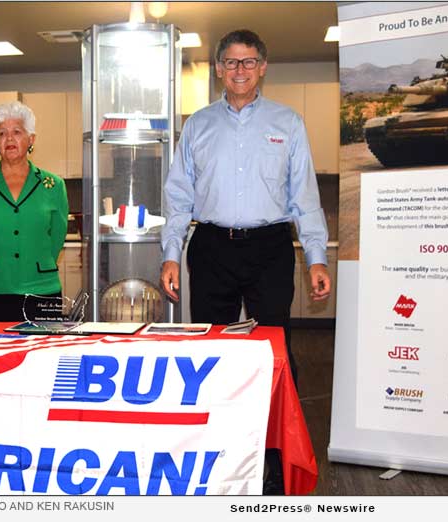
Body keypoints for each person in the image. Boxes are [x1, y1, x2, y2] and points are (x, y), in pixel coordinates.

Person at [160, 29, 331, 494]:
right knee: (212, 354)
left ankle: (273, 460)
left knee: (273, 355)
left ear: (263, 67)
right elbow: (178, 196)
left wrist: (316, 257)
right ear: (218, 68)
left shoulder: (288, 123)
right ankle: (216, 453)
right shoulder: (197, 125)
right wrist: (172, 252)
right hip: (211, 246)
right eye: (231, 62)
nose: (240, 70)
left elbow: (305, 199)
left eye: (249, 62)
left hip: (270, 249)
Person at [0, 100, 68, 322]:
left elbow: (57, 238)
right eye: (2, 133)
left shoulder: (54, 185)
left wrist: (35, 264)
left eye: (17, 131)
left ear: (31, 139)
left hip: (41, 291)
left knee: (40, 356)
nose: (9, 139)